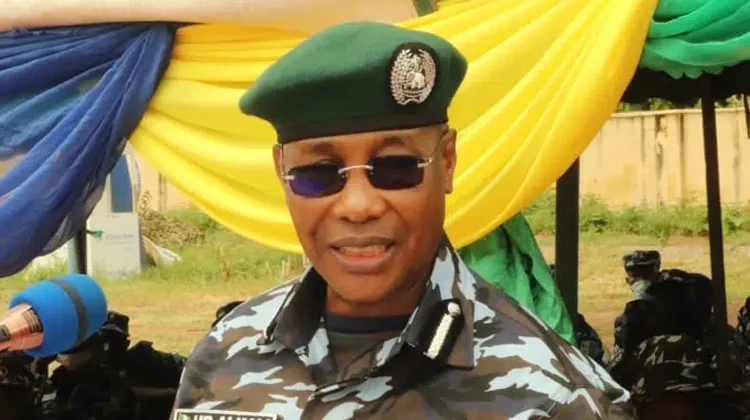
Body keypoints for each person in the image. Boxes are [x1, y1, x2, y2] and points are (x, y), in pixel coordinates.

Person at [172, 21, 632, 419]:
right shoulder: (224, 355)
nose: (358, 205)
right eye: (318, 173)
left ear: (446, 162)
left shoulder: (555, 396)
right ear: (281, 172)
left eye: (395, 167)